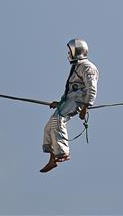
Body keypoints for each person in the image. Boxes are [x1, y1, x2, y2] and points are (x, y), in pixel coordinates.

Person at [40, 38, 99, 173]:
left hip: (78, 101)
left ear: (76, 51)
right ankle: (53, 158)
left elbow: (92, 88)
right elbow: (71, 89)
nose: (68, 54)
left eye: (70, 51)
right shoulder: (77, 66)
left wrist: (86, 106)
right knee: (49, 127)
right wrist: (60, 102)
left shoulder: (88, 67)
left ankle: (62, 153)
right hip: (69, 100)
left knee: (57, 120)